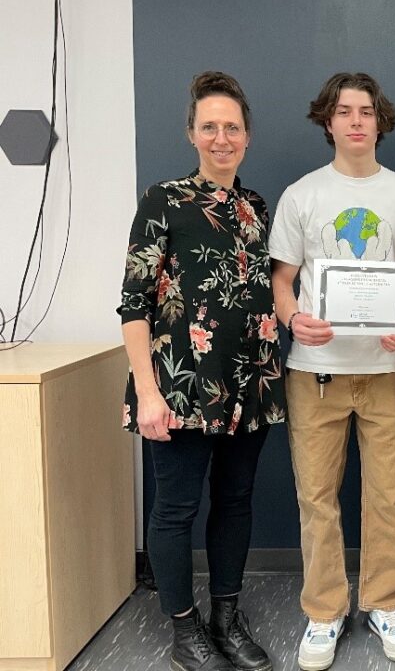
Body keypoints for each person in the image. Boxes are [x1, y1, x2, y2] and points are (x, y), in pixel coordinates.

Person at [119, 71, 285, 671]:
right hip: (179, 387)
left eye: (232, 127)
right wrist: (147, 391)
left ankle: (225, 616)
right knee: (175, 509)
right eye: (210, 126)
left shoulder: (256, 207)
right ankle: (184, 629)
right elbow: (133, 304)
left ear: (247, 137)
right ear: (192, 134)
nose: (222, 137)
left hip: (250, 385)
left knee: (236, 502)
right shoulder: (162, 201)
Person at [268, 72, 395, 670]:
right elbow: (282, 280)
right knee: (317, 497)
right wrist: (292, 321)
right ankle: (325, 611)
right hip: (315, 369)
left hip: (390, 369)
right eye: (345, 111)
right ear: (329, 122)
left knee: (389, 495)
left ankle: (385, 602)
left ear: (380, 121)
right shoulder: (302, 195)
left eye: (367, 111)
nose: (357, 120)